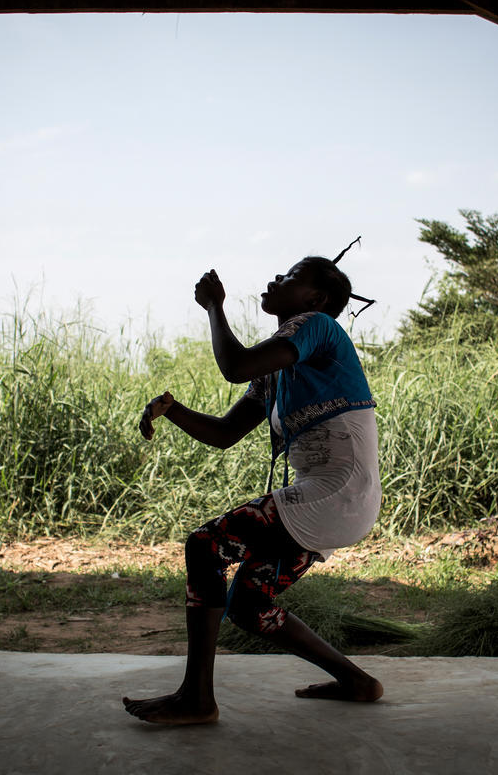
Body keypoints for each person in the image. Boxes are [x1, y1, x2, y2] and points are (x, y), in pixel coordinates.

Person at [123, 249, 383, 726]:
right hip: (336, 498)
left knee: (204, 546)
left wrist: (214, 308)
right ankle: (357, 682)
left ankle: (197, 699)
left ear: (317, 298)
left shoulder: (318, 326)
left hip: (335, 492)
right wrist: (173, 411)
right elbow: (225, 434)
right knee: (246, 604)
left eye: (291, 276)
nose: (275, 278)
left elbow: (233, 365)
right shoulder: (276, 371)